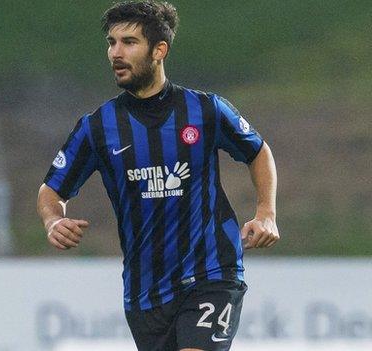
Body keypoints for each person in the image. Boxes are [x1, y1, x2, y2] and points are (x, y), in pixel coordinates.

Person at [36, 1, 279, 350]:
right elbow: (51, 190)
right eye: (111, 42)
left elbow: (258, 152)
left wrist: (266, 213)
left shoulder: (205, 110)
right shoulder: (98, 127)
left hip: (212, 273)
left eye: (129, 42)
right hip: (145, 292)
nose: (115, 53)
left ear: (159, 50)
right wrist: (52, 221)